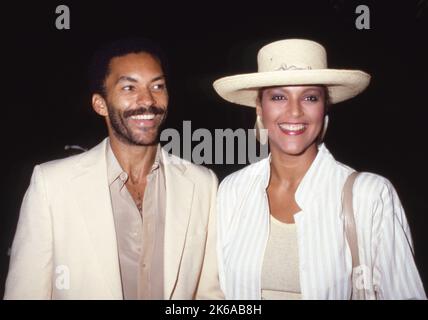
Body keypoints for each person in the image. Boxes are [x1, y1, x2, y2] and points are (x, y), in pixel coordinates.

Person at [4, 38, 223, 300]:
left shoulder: (203, 184)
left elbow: (209, 295)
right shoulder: (52, 185)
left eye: (157, 86)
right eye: (129, 87)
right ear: (100, 104)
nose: (148, 100)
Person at [213, 39, 426, 300]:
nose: (294, 111)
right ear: (260, 108)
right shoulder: (232, 191)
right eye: (279, 97)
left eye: (310, 97)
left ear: (325, 107)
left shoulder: (370, 196)